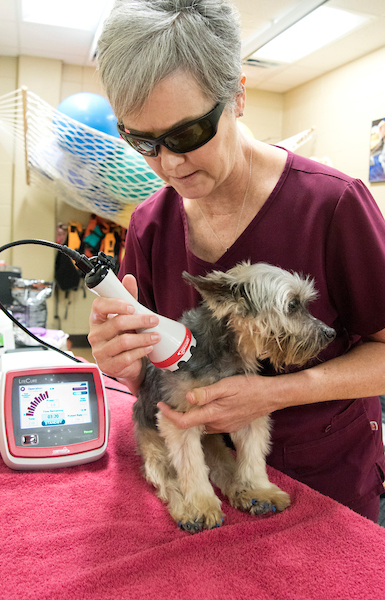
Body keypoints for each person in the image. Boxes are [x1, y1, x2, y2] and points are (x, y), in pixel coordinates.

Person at [89, 0, 385, 522]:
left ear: (238, 97)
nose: (170, 163)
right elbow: (156, 380)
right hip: (201, 479)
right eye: (143, 141)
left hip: (326, 481)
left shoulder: (333, 205)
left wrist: (274, 393)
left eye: (187, 134)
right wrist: (123, 360)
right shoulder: (149, 225)